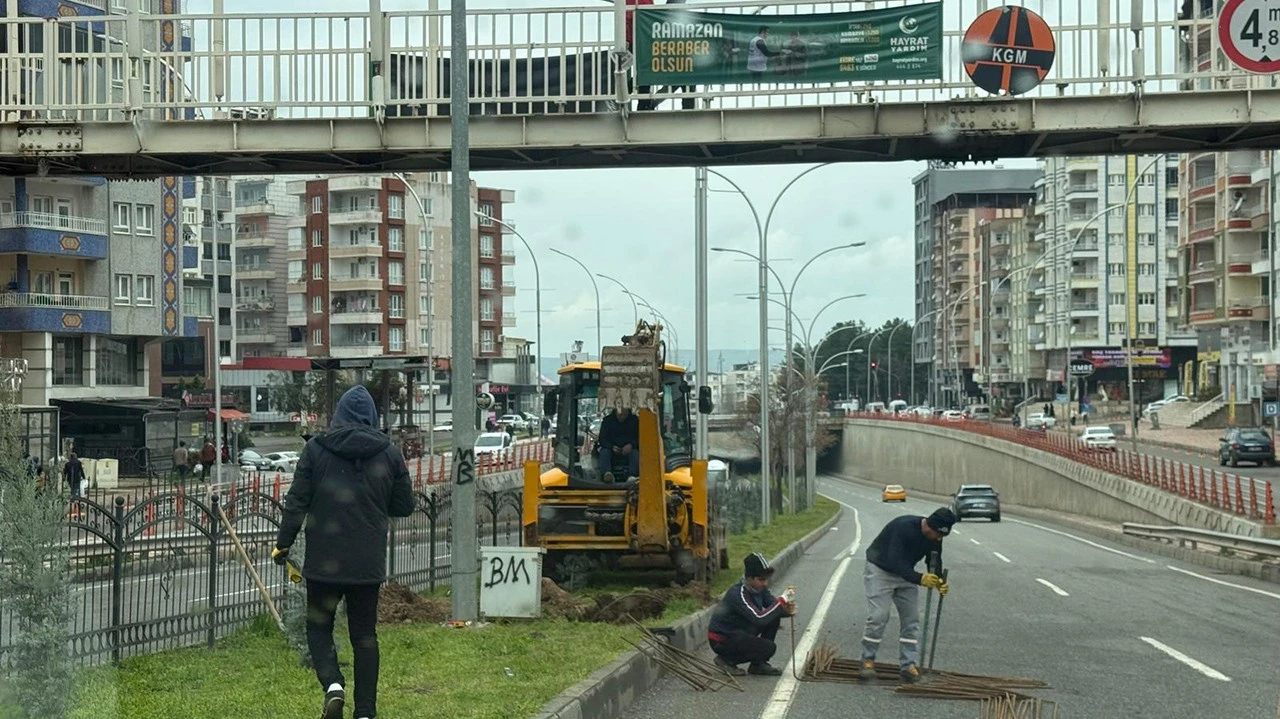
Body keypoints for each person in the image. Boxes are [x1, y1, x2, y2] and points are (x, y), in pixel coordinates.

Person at [272, 385, 415, 719]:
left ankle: (334, 686)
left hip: (324, 562)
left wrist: (283, 544)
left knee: (318, 628)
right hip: (367, 562)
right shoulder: (389, 453)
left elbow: (297, 502)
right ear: (372, 417)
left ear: (338, 416)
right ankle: (365, 712)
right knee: (364, 636)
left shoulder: (316, 450)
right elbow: (404, 505)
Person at [859, 507, 956, 684]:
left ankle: (908, 665)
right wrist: (920, 578)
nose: (938, 538)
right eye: (937, 534)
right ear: (929, 525)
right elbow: (894, 561)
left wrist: (939, 581)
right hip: (881, 570)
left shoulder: (936, 537)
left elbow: (934, 560)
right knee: (879, 615)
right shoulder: (902, 527)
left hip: (906, 575)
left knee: (911, 619)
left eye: (942, 535)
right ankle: (867, 660)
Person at [706, 552, 795, 676]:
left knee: (774, 618)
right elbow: (759, 618)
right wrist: (781, 602)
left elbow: (773, 607)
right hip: (723, 640)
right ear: (749, 578)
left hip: (740, 632)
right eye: (761, 579)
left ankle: (758, 665)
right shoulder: (738, 594)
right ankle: (726, 660)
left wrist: (787, 610)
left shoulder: (760, 589)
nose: (765, 583)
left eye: (766, 579)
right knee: (769, 648)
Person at [597, 406, 640, 482]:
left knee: (635, 453)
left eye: (625, 414)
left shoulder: (635, 421)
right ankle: (607, 474)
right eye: (620, 415)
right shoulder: (607, 420)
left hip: (630, 449)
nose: (622, 417)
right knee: (604, 452)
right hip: (611, 449)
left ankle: (632, 476)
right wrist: (611, 447)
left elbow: (640, 437)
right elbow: (602, 439)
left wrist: (632, 445)